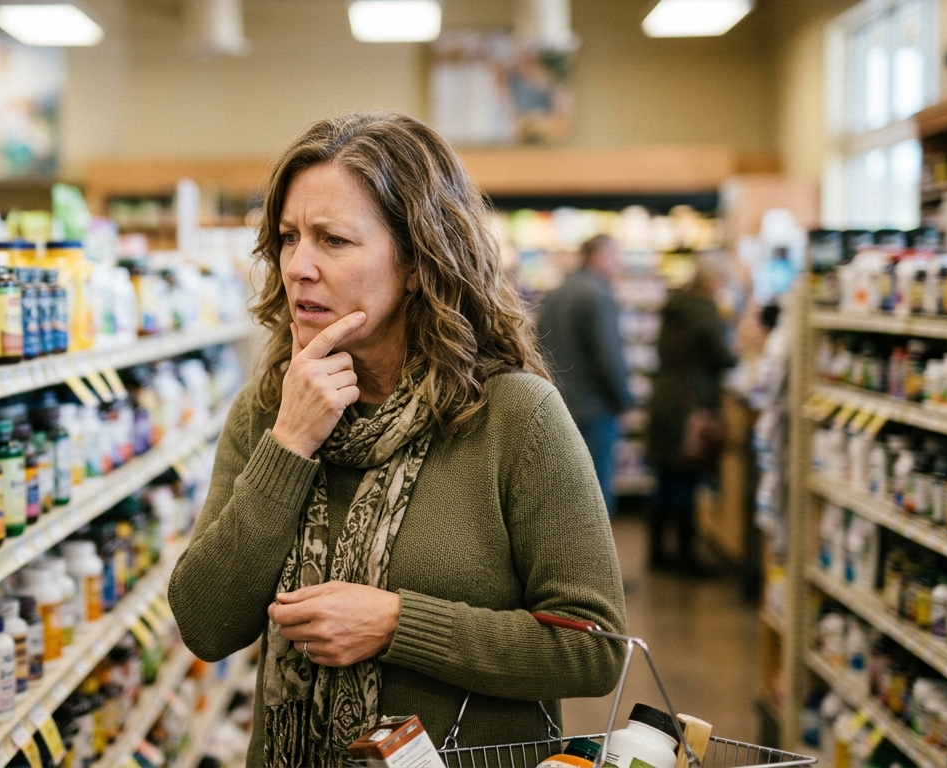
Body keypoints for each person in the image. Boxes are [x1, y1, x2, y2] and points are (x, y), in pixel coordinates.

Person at [167, 113, 627, 767]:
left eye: (333, 240)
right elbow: (207, 624)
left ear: (416, 262)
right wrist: (290, 444)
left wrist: (396, 623)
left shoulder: (515, 418)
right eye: (289, 237)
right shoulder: (267, 413)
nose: (298, 266)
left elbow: (595, 647)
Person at [646, 256, 736, 574]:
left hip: (665, 398)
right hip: (690, 403)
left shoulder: (673, 308)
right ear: (714, 282)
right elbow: (722, 357)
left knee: (665, 479)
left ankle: (657, 553)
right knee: (686, 477)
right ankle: (686, 557)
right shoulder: (704, 311)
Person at [536, 235, 636, 515]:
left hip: (558, 405)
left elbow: (538, 346)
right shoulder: (598, 294)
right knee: (595, 499)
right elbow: (608, 357)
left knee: (561, 497)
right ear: (600, 255)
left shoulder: (555, 292)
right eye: (617, 256)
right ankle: (594, 560)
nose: (621, 264)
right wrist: (625, 402)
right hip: (594, 410)